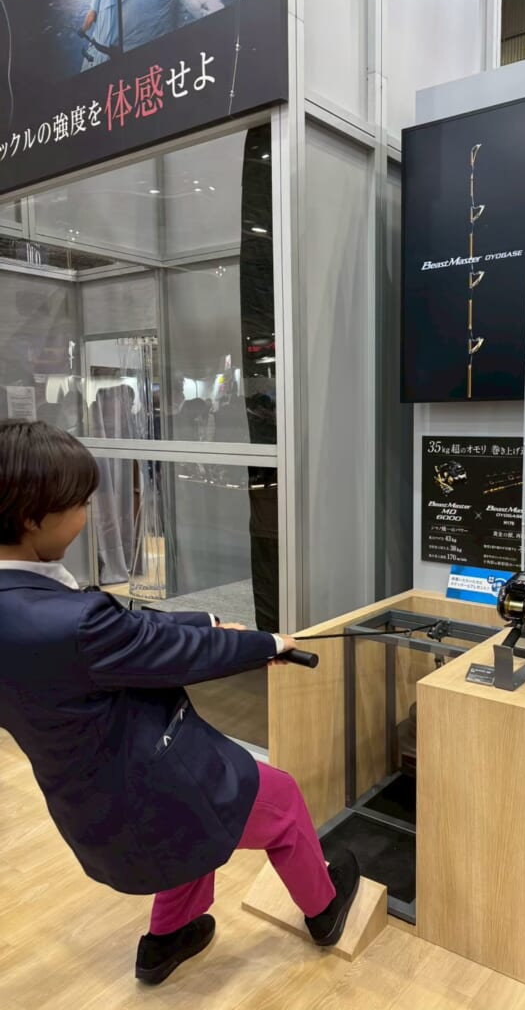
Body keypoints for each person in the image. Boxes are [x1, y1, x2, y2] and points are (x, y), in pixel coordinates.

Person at [0, 420, 360, 985]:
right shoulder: (72, 623)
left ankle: (167, 939)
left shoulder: (30, 600)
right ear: (31, 517)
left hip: (88, 796)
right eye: (79, 504)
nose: (87, 514)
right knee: (281, 801)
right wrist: (266, 644)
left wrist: (209, 620)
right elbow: (159, 649)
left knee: (190, 830)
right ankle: (325, 908)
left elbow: (128, 634)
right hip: (150, 779)